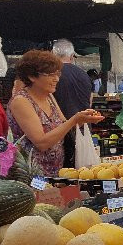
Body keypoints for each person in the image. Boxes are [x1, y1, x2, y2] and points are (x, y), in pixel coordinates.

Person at [8, 50, 103, 176]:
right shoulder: (21, 101)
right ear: (32, 76)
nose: (57, 79)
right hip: (33, 177)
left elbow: (63, 126)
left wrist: (82, 119)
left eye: (57, 74)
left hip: (58, 173)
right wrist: (74, 120)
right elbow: (41, 143)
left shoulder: (49, 96)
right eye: (51, 75)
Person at [51, 39, 94, 169]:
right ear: (71, 56)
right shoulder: (84, 75)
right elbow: (90, 102)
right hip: (83, 130)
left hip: (59, 132)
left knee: (63, 174)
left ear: (53, 55)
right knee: (82, 171)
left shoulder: (51, 76)